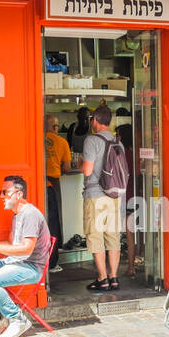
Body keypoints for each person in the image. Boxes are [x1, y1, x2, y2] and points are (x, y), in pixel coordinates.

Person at [0, 175, 51, 337]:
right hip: (14, 261)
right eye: (0, 192)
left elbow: (26, 249)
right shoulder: (16, 215)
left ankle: (17, 319)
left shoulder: (30, 214)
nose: (1, 196)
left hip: (31, 267)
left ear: (18, 194)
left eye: (5, 192)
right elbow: (12, 244)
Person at [81, 104, 122, 292]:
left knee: (95, 236)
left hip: (95, 195)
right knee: (112, 236)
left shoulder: (91, 140)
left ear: (95, 120)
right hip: (113, 196)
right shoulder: (117, 141)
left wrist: (82, 163)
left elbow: (88, 170)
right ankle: (114, 277)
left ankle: (102, 278)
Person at [44, 114, 77, 273]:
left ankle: (40, 262)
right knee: (53, 224)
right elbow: (67, 168)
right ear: (54, 127)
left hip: (37, 184)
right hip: (52, 186)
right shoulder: (62, 142)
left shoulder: (35, 139)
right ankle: (52, 262)